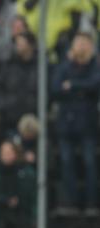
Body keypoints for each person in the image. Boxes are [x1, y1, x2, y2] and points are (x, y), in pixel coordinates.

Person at [52, 32, 100, 213]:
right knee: (66, 162)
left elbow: (95, 84)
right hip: (66, 123)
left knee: (90, 162)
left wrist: (72, 85)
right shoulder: (64, 66)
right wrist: (82, 88)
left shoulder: (94, 66)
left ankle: (92, 203)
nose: (81, 46)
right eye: (78, 42)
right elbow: (55, 88)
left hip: (88, 123)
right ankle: (71, 202)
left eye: (85, 43)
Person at [0, 140, 36, 228]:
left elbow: (32, 196)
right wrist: (4, 200)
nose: (6, 156)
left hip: (21, 223)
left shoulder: (25, 173)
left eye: (9, 153)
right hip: (1, 224)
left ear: (16, 153)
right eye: (3, 153)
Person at [0, 32, 37, 135]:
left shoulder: (40, 66)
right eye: (17, 44)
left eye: (21, 43)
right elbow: (0, 87)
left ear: (30, 45)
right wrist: (3, 106)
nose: (17, 47)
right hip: (11, 117)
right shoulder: (9, 64)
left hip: (33, 116)